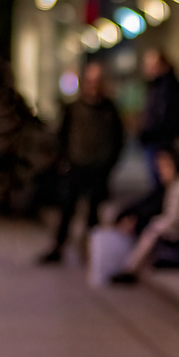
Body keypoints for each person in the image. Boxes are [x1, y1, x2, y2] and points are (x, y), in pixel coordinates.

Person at [39, 61, 124, 263]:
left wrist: (109, 163)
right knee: (67, 208)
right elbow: (62, 135)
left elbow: (118, 138)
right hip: (76, 165)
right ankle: (58, 246)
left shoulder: (109, 109)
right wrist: (63, 160)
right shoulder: (74, 108)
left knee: (94, 212)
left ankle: (91, 251)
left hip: (99, 167)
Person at [110, 147, 179, 283]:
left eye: (165, 166)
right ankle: (130, 268)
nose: (161, 171)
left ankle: (130, 270)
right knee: (154, 227)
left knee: (153, 229)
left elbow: (172, 221)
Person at [138, 49, 179, 185]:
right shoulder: (155, 86)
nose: (148, 69)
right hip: (155, 139)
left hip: (162, 140)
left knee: (164, 181)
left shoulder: (169, 87)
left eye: (152, 65)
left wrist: (164, 134)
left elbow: (174, 115)